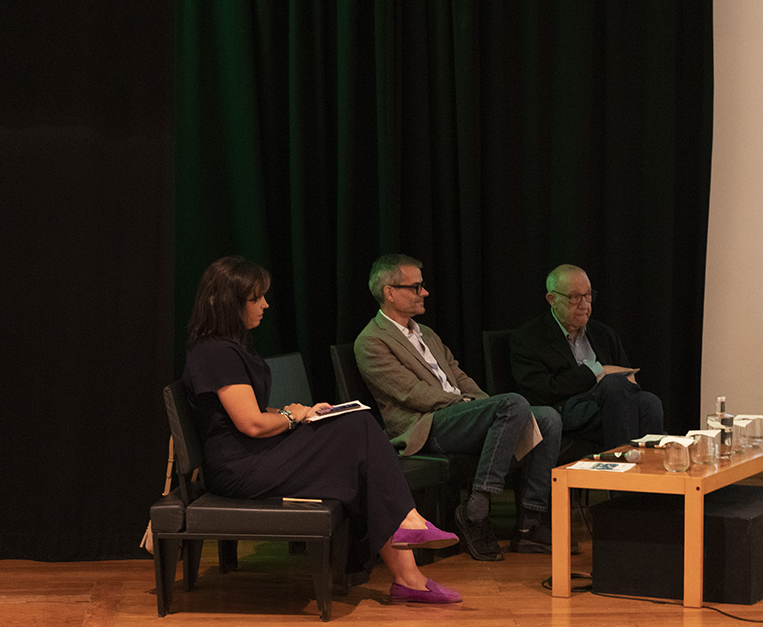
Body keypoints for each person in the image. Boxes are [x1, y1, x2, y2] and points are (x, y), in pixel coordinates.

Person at [182, 256, 461, 604]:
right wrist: (292, 416)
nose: (265, 304)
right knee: (356, 431)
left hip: (253, 456)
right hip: (240, 468)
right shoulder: (216, 352)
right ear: (231, 303)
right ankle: (409, 545)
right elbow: (251, 424)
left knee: (355, 432)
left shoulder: (227, 347)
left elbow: (246, 411)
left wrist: (303, 413)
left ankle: (409, 568)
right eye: (256, 298)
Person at [354, 254, 562, 562]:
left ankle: (530, 525)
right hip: (424, 426)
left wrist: (480, 402)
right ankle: (476, 511)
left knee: (548, 418)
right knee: (513, 403)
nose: (424, 292)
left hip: (457, 415)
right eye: (416, 287)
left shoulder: (427, 334)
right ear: (390, 292)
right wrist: (468, 404)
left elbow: (459, 377)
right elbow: (412, 393)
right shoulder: (372, 341)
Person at [510, 264, 665, 451]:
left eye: (588, 296)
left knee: (649, 402)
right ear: (552, 299)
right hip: (565, 408)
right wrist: (596, 371)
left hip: (609, 404)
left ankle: (650, 466)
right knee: (614, 385)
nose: (584, 305)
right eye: (574, 297)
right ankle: (623, 461)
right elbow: (543, 390)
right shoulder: (528, 339)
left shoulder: (603, 334)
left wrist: (625, 380)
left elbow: (625, 376)